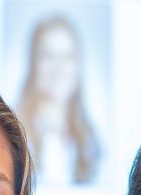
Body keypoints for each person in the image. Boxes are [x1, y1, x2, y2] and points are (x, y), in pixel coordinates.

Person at [17, 15, 102, 186]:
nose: (59, 68)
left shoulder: (91, 139)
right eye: (48, 56)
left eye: (68, 57)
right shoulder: (13, 132)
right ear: (33, 62)